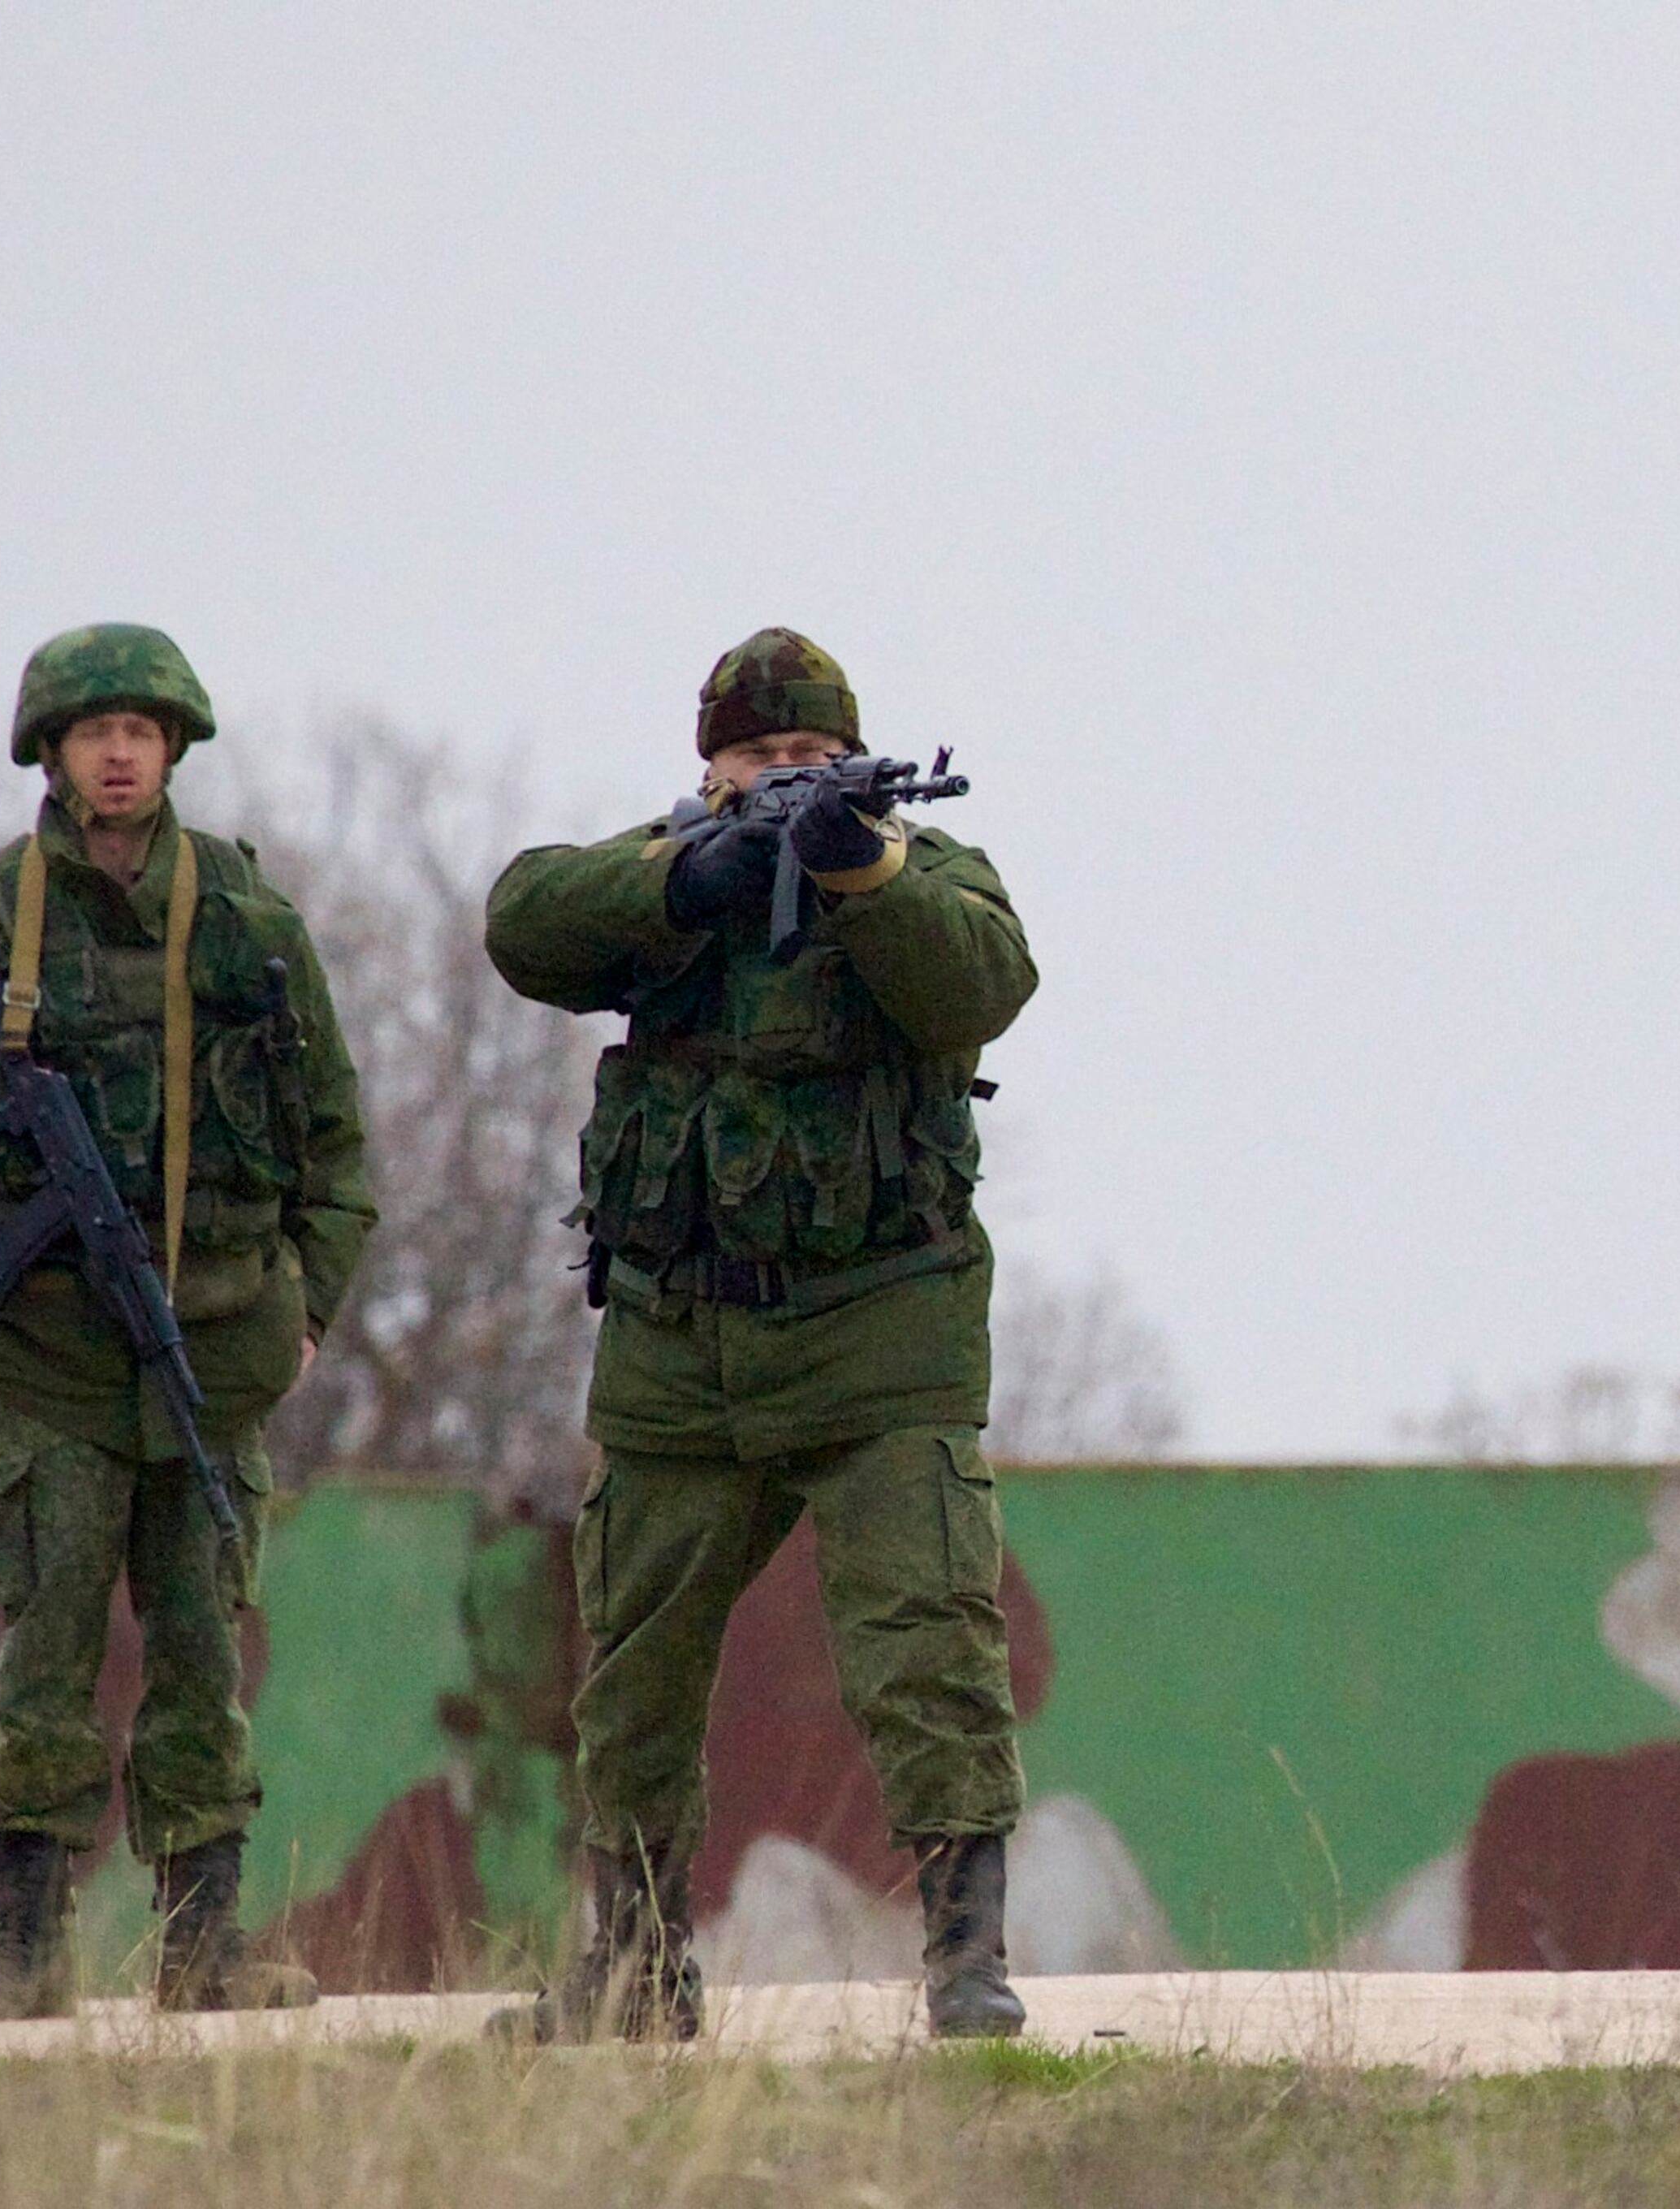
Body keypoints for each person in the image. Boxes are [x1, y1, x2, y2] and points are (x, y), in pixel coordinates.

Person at [482, 628, 1037, 2041]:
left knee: (927, 1648)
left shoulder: (925, 874)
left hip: (881, 1342)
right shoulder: (664, 870)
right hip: (681, 1352)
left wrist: (861, 874)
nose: (786, 772)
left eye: (811, 755)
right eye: (758, 756)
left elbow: (983, 984)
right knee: (633, 1676)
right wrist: (692, 878)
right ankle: (633, 1972)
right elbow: (525, 922)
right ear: (712, 767)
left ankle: (967, 1964)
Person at [0, 623, 375, 2021]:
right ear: (53, 752)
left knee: (202, 1656)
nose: (122, 754)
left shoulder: (249, 922)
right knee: (46, 1661)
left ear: (176, 747)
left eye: (143, 731)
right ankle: (23, 1945)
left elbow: (335, 1145)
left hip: (213, 1352)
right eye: (96, 733)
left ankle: (204, 1946)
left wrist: (307, 1309)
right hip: (51, 1362)